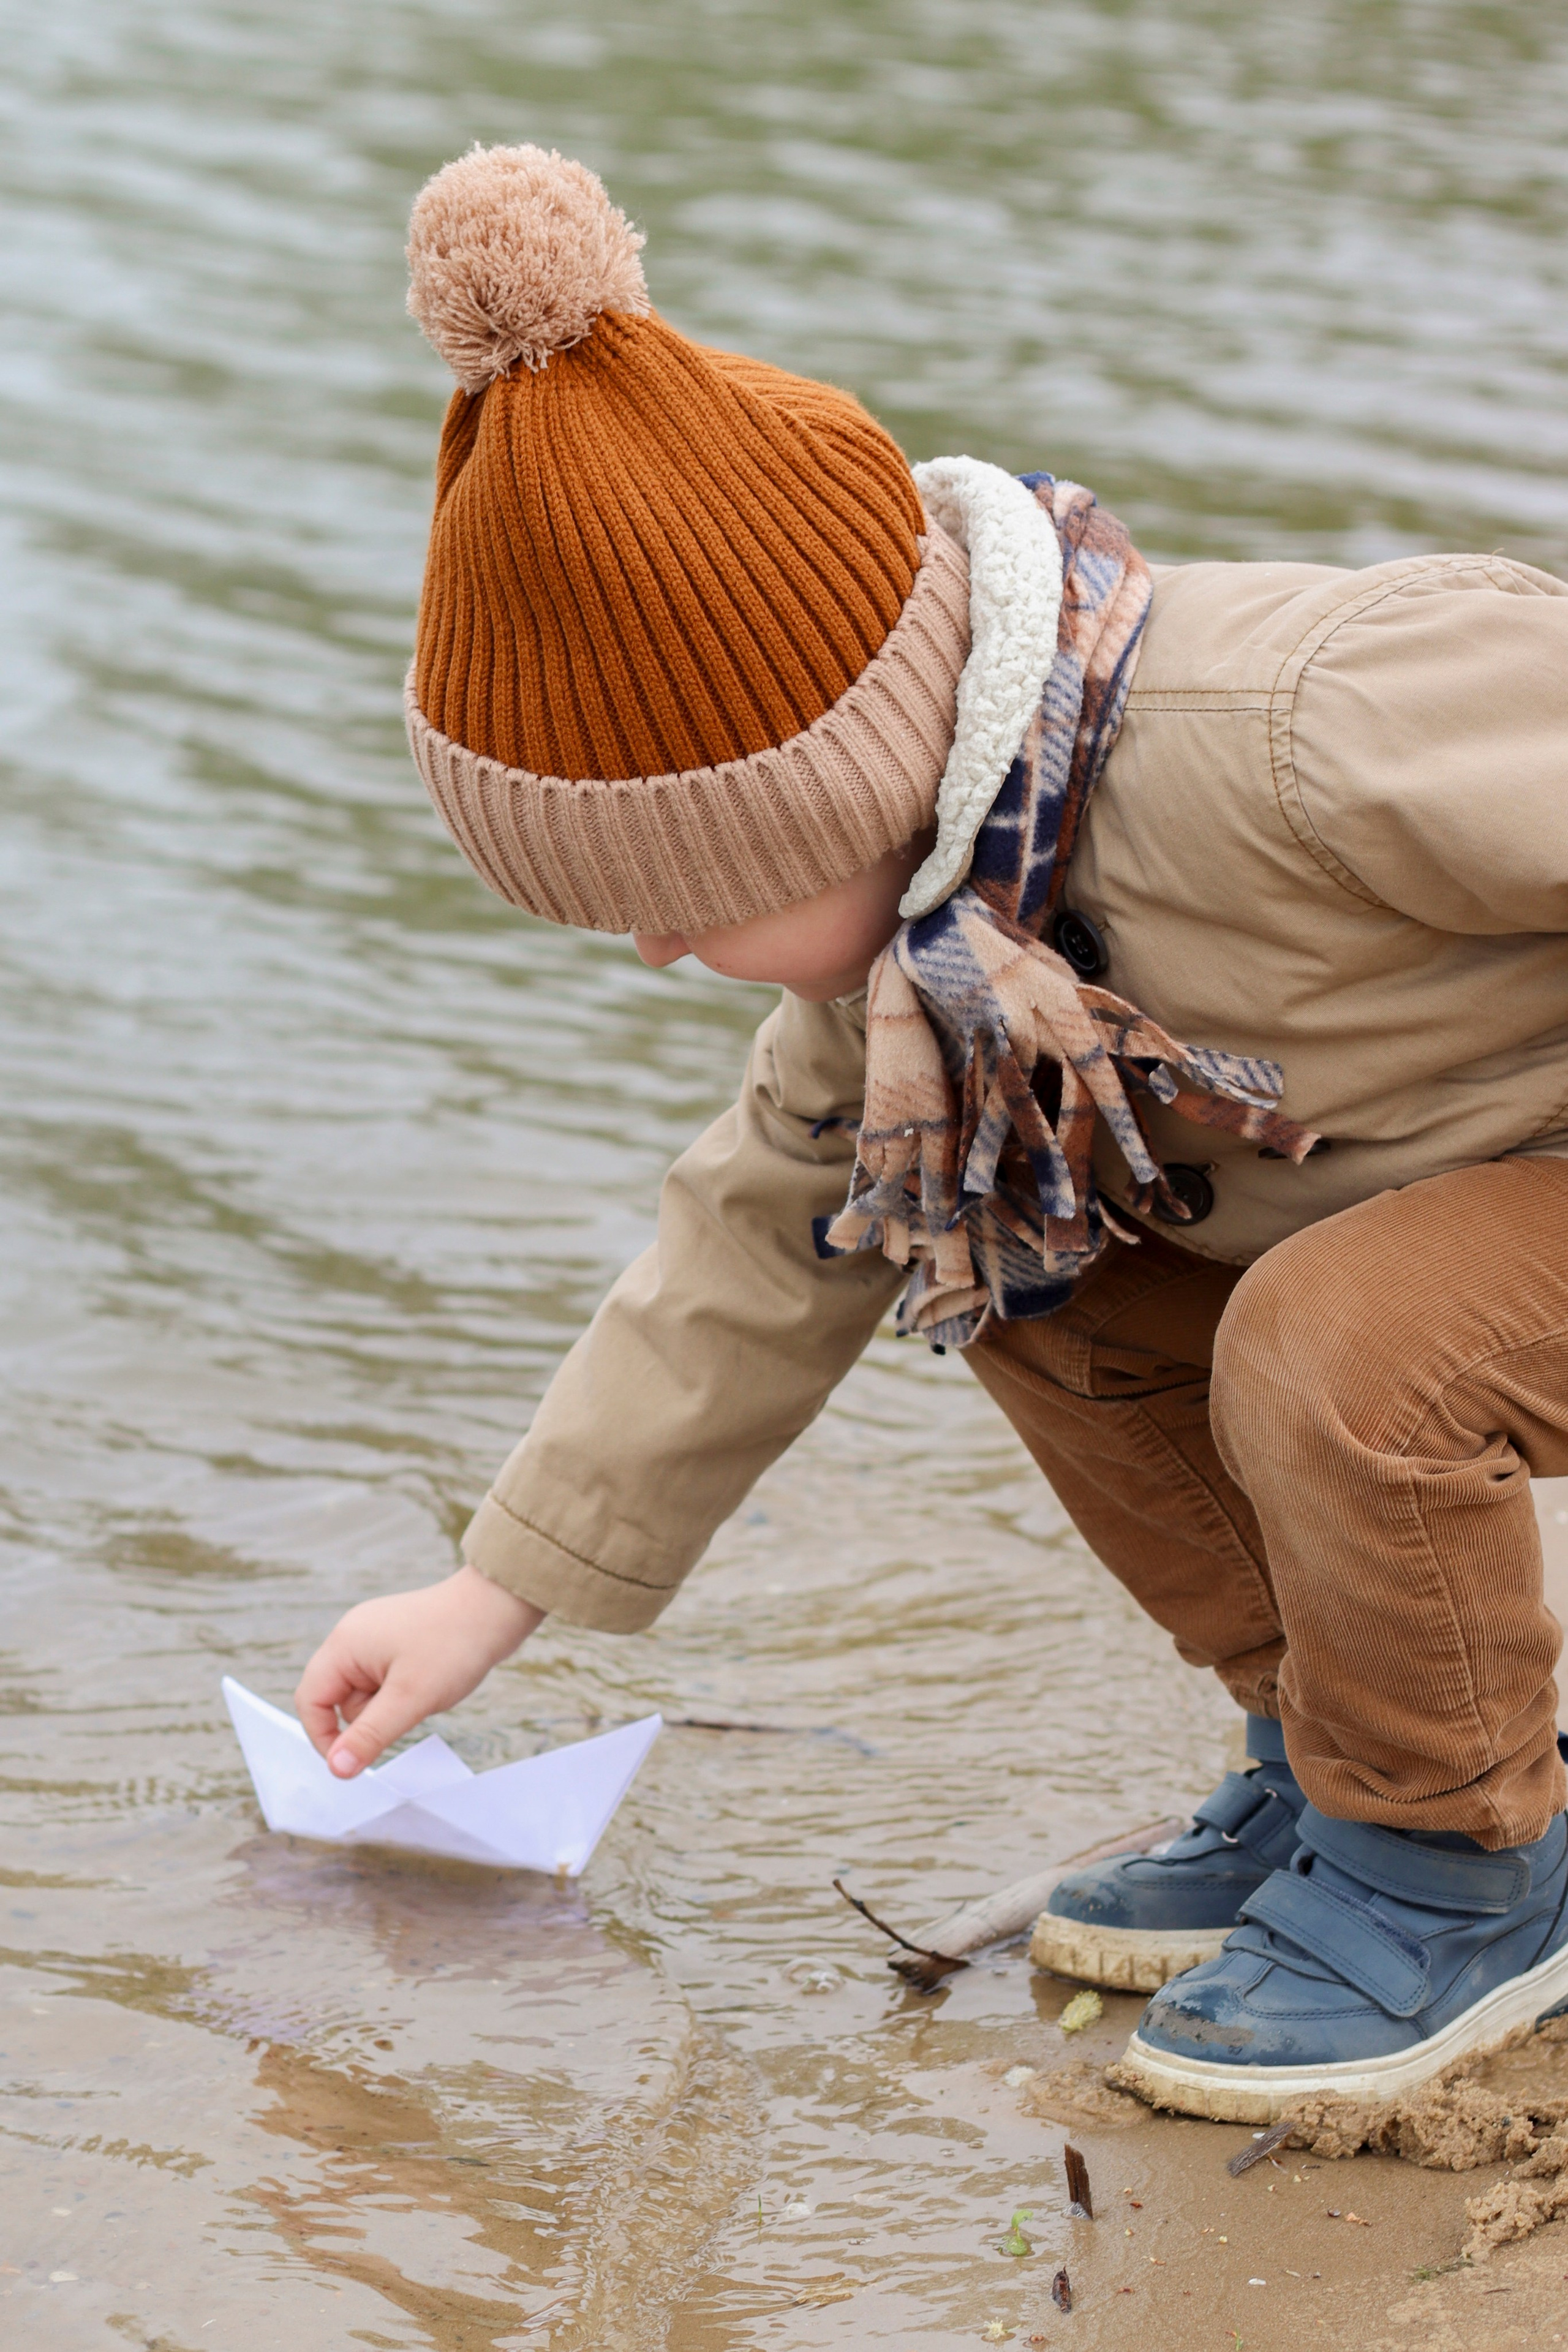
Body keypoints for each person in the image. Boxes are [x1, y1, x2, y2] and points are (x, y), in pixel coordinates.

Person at [296, 140, 1568, 2120]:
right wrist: (485, 1600)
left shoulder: (1309, 724)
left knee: (1343, 1341)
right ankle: (1341, 1759)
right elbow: (747, 1250)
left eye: (681, 896)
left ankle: (1464, 1857)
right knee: (1013, 1262)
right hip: (1456, 1203)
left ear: (841, 788)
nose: (651, 951)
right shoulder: (927, 955)